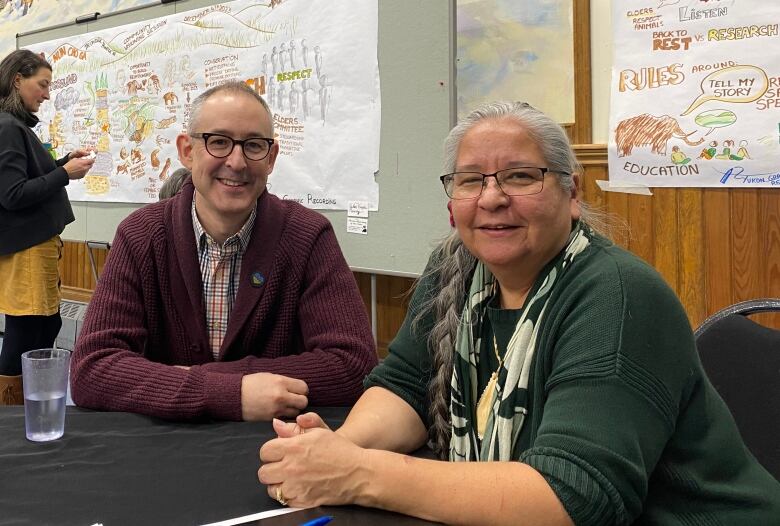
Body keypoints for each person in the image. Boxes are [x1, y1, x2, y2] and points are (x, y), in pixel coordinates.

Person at [258, 102, 780, 524]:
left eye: (521, 176)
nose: (492, 199)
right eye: (470, 180)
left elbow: (574, 497)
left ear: (571, 193)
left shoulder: (616, 295)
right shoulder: (455, 268)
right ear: (451, 199)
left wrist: (356, 474)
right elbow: (406, 388)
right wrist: (328, 451)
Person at [70, 81, 377, 421]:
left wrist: (204, 381)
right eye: (218, 142)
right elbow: (92, 369)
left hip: (273, 453)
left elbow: (353, 367)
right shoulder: (141, 235)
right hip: (163, 453)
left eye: (254, 145)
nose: (237, 161)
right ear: (187, 151)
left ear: (271, 157)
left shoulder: (307, 237)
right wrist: (231, 394)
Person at [0, 49, 94, 405]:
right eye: (42, 85)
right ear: (17, 80)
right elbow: (12, 194)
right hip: (27, 248)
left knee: (44, 326)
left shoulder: (15, 126)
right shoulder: (8, 127)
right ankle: (10, 411)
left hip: (34, 245)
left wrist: (61, 163)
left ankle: (34, 401)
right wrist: (63, 174)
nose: (47, 94)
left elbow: (26, 178)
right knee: (25, 331)